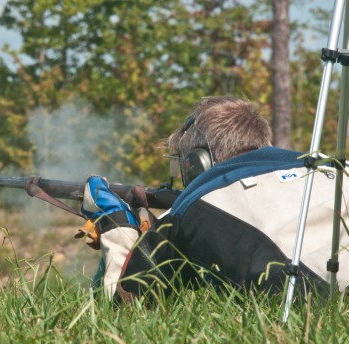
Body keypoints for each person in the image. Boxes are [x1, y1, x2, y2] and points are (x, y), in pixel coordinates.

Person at [80, 96, 349, 303]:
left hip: (311, 302)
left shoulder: (196, 206)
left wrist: (115, 224)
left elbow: (126, 300)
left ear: (197, 163)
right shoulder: (338, 167)